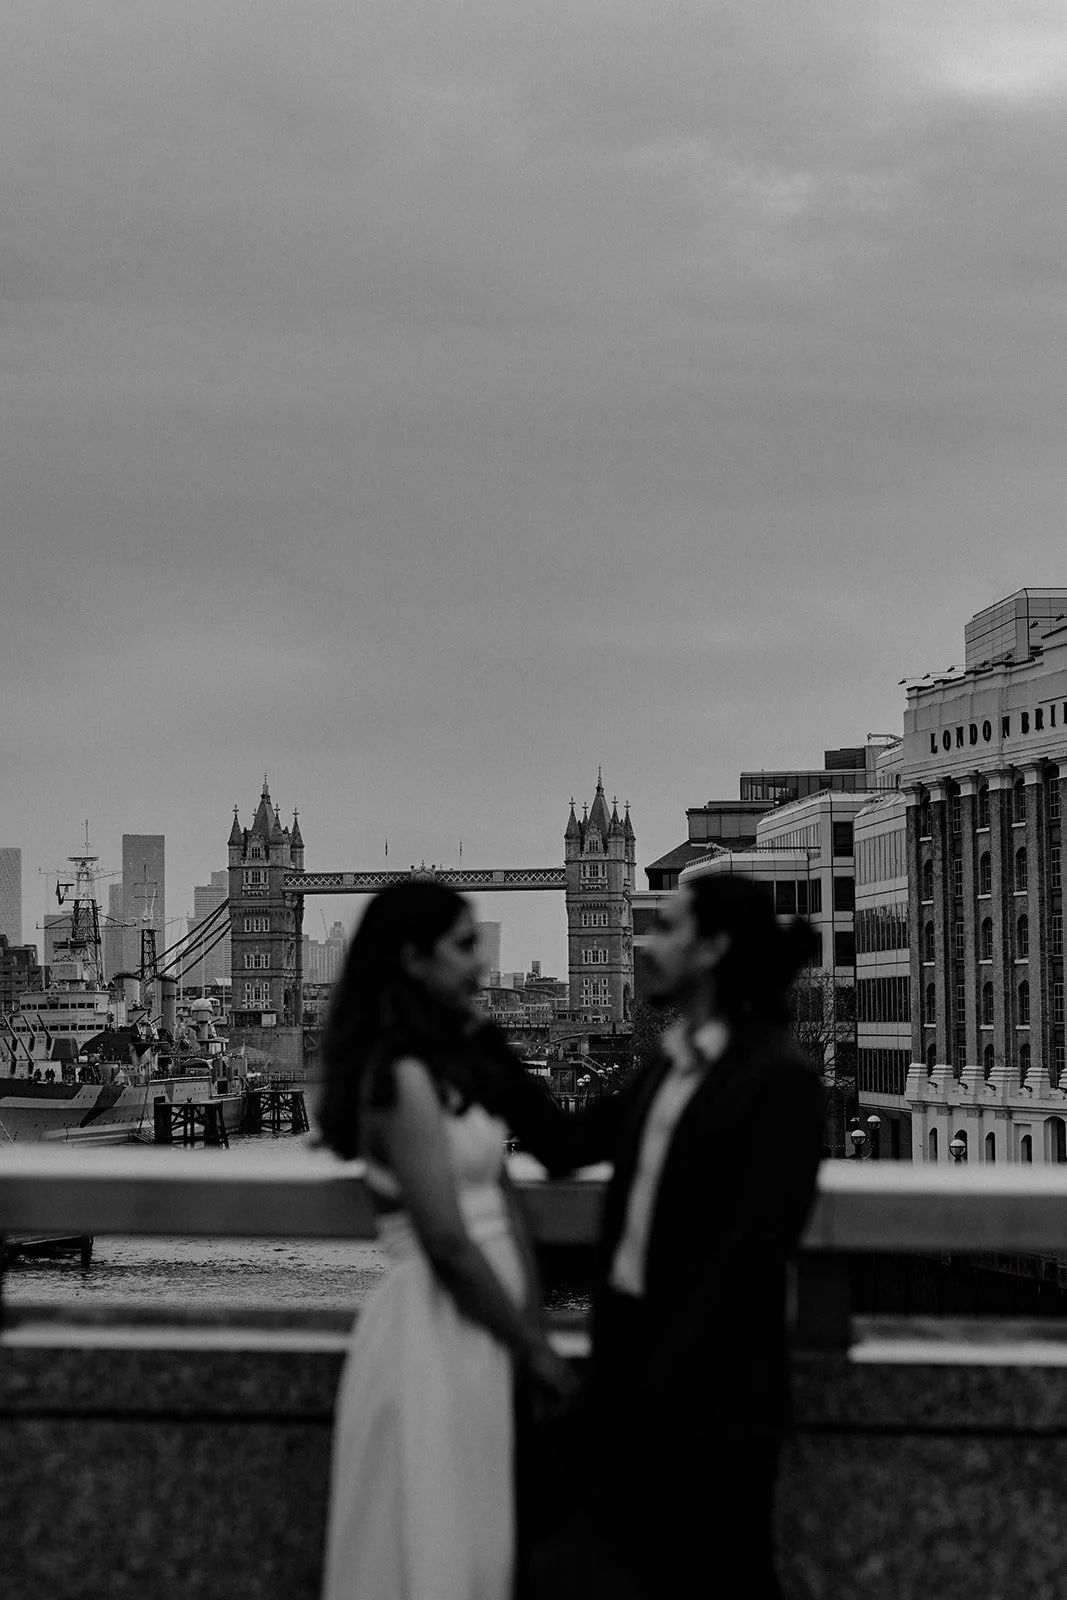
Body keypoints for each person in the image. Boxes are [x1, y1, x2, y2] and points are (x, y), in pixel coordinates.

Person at [528, 874, 825, 1600]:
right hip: (628, 1378)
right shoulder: (671, 1062)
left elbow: (751, 1259)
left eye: (667, 929)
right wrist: (464, 1049)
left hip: (712, 1401)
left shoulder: (779, 1079)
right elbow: (567, 1143)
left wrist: (655, 1395)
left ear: (714, 948)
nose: (646, 945)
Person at [316, 881, 579, 1600]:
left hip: (486, 1328)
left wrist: (526, 1332)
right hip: (434, 1327)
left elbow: (503, 1198)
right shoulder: (398, 1079)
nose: (481, 966)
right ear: (411, 959)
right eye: (464, 947)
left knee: (475, 1543)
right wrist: (535, 1351)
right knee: (438, 1542)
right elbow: (447, 1240)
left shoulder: (448, 1067)